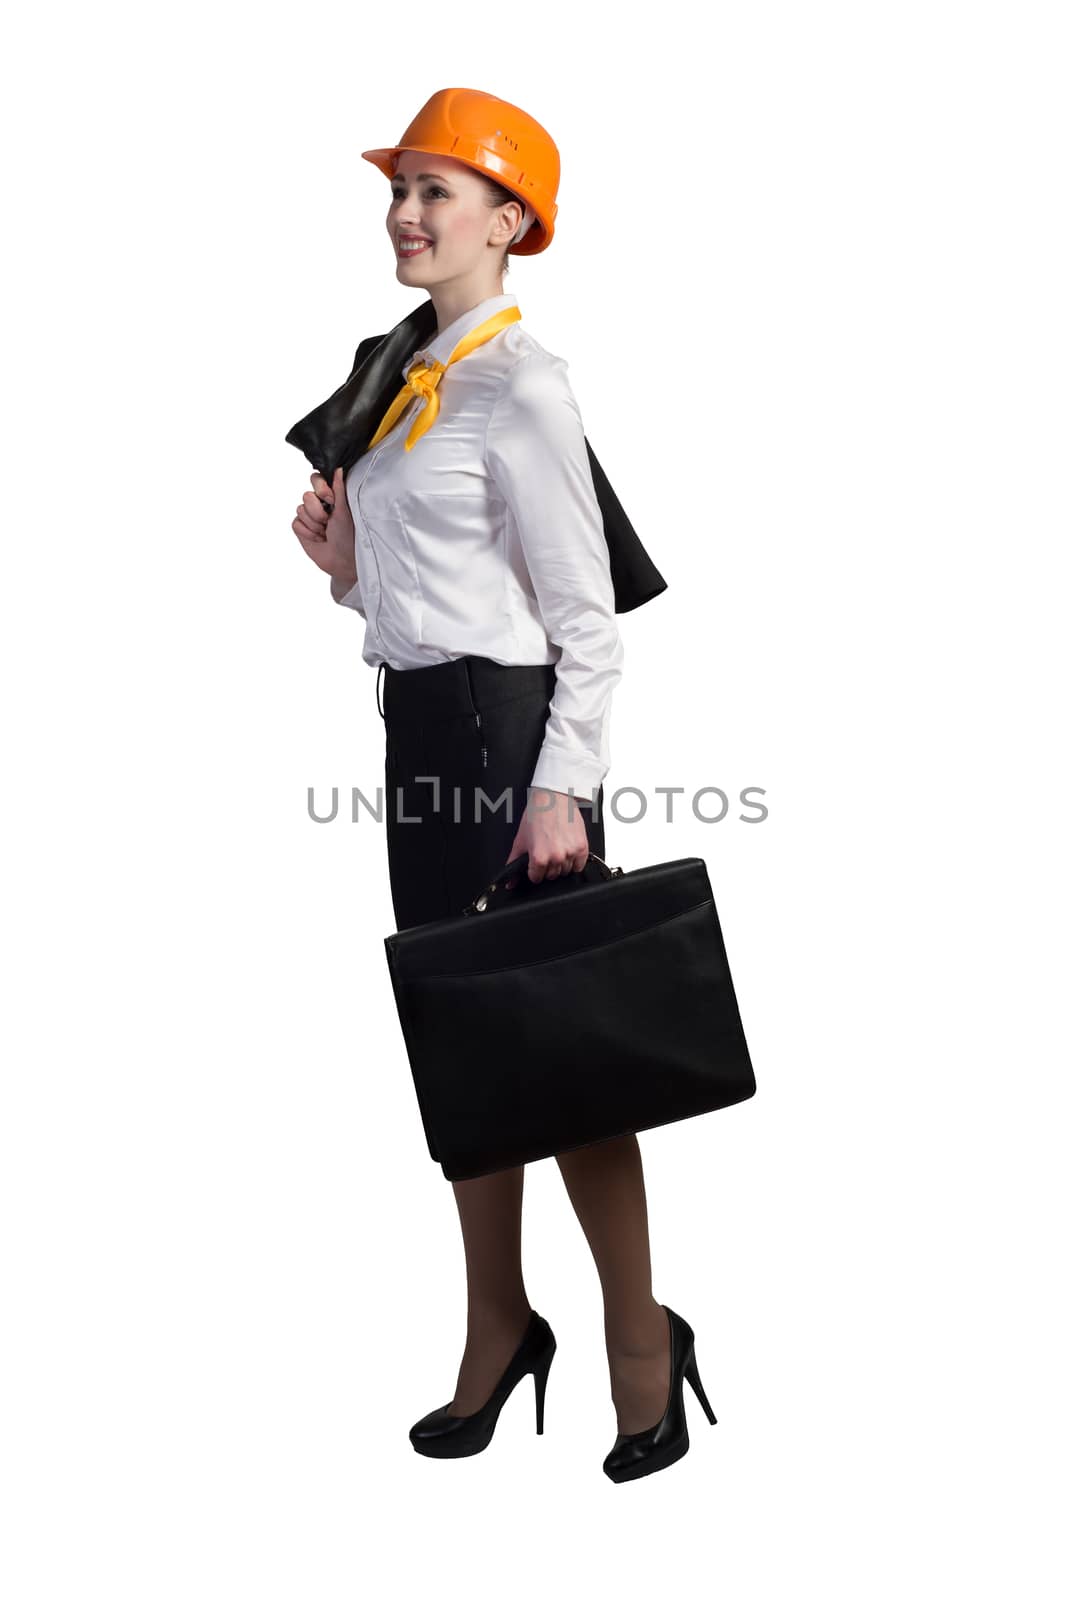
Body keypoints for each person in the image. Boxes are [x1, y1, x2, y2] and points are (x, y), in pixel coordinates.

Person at [291, 88, 715, 1483]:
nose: (407, 216)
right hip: (424, 737)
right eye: (399, 189)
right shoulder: (407, 385)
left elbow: (582, 618)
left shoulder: (524, 383)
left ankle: (640, 1344)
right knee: (465, 1048)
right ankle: (495, 1329)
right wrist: (343, 565)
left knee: (573, 1052)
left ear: (511, 221)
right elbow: (430, 601)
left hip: (509, 747)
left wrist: (562, 792)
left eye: (438, 192)